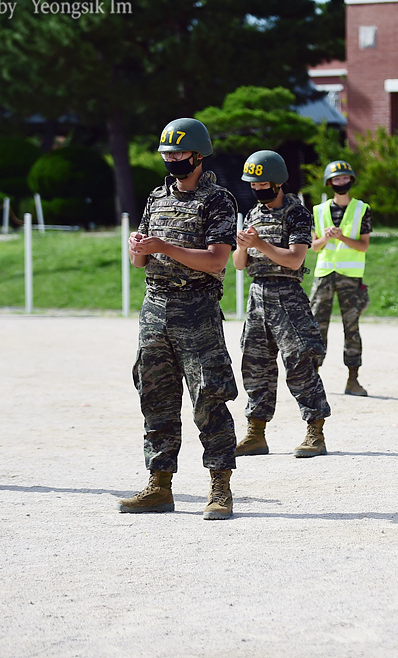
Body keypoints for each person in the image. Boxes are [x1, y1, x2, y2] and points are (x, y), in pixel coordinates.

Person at [119, 118, 240, 520]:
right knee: (155, 397)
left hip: (197, 310)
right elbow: (140, 261)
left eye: (179, 154)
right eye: (167, 154)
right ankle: (159, 484)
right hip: (155, 307)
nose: (172, 160)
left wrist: (163, 246)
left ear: (199, 155)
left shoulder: (218, 200)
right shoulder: (156, 198)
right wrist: (138, 248)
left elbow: (217, 259)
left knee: (209, 397)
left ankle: (219, 487)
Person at [234, 150, 331, 458]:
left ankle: (315, 431)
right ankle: (256, 432)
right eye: (253, 184)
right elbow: (239, 264)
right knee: (255, 366)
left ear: (278, 182)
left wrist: (259, 243)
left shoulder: (297, 213)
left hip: (287, 297)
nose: (258, 189)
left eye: (263, 183)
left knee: (300, 362)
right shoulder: (253, 214)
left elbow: (295, 259)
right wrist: (241, 246)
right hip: (258, 295)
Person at [309, 160, 372, 396]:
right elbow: (314, 247)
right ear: (330, 182)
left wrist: (342, 237)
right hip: (324, 274)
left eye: (345, 178)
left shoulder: (362, 209)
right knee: (316, 326)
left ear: (350, 180)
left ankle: (353, 380)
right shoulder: (318, 210)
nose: (341, 182)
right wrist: (325, 238)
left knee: (351, 327)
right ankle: (312, 379)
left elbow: (363, 246)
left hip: (350, 276)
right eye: (337, 179)